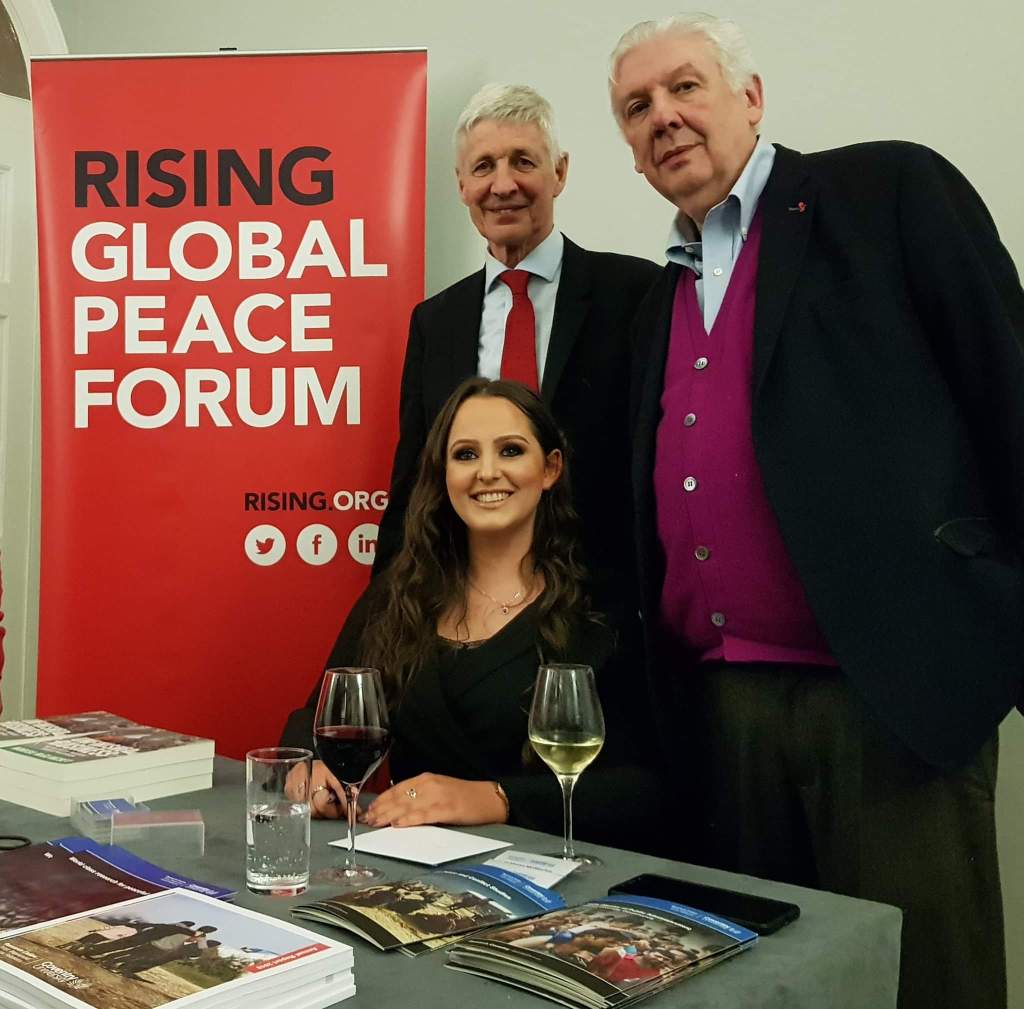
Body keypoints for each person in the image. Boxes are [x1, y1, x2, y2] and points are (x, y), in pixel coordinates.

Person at [608, 13, 1024, 1009]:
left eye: (685, 86)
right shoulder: (654, 298)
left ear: (750, 98)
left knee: (923, 986)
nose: (663, 116)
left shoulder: (885, 192)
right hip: (722, 718)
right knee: (768, 994)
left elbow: (1007, 391)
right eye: (636, 106)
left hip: (887, 696)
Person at [281, 378, 659, 847]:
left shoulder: (601, 608)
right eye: (465, 455)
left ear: (550, 468)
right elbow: (319, 715)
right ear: (444, 474)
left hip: (552, 870)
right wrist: (310, 765)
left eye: (510, 451)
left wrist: (497, 799)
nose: (487, 472)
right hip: (408, 865)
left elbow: (646, 790)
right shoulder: (399, 594)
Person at [372, 83, 659, 611]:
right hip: (469, 605)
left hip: (605, 605)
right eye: (483, 167)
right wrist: (383, 614)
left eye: (523, 161)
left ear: (560, 172)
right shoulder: (435, 322)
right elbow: (414, 480)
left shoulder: (639, 294)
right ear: (462, 185)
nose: (503, 185)